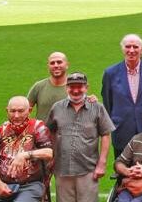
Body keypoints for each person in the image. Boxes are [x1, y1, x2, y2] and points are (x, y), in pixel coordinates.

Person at [47, 72, 115, 202]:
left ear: (86, 87)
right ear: (66, 87)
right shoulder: (57, 108)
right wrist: (52, 157)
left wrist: (102, 163)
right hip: (63, 168)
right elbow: (50, 132)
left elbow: (106, 134)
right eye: (72, 87)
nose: (76, 90)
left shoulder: (97, 108)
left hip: (88, 169)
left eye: (80, 86)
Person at [0, 96, 54, 202]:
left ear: (29, 111)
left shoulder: (38, 127)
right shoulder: (1, 130)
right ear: (7, 111)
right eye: (12, 111)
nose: (16, 115)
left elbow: (49, 152)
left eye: (21, 111)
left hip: (30, 185)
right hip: (3, 183)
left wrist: (24, 155)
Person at [103, 34, 142, 157]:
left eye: (135, 47)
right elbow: (108, 103)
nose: (131, 50)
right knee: (123, 172)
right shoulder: (110, 73)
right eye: (128, 47)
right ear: (122, 49)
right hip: (121, 132)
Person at [28, 52, 71, 121]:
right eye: (52, 63)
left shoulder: (75, 88)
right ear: (48, 66)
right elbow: (24, 110)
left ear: (67, 65)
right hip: (42, 131)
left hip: (66, 131)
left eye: (59, 62)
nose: (56, 65)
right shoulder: (39, 86)